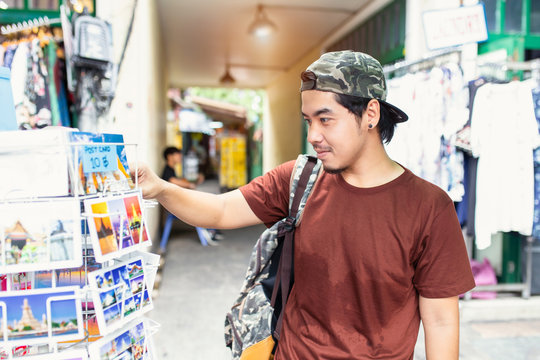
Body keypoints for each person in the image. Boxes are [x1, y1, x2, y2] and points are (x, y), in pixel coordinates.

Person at [135, 51, 475, 359]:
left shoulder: (429, 208)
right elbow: (221, 210)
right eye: (307, 120)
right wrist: (160, 188)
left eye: (325, 119)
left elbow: (442, 321)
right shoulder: (298, 181)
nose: (313, 134)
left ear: (370, 114)